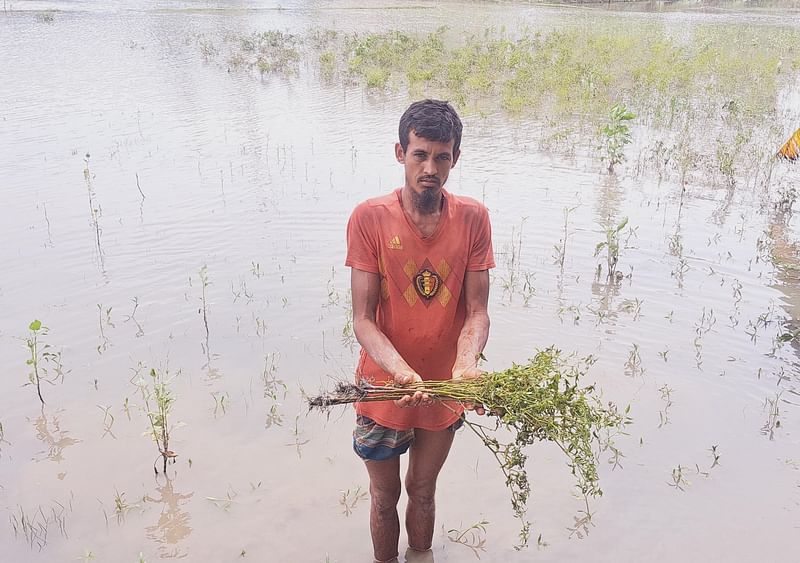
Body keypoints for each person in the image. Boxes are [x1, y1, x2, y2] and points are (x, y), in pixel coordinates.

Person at [345, 99, 495, 562]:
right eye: (420, 155)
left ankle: (421, 556)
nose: (430, 167)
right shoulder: (369, 217)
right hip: (384, 385)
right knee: (384, 497)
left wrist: (466, 363)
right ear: (399, 153)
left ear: (455, 158)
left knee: (424, 491)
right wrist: (401, 372)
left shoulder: (473, 218)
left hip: (445, 384)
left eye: (442, 156)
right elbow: (363, 319)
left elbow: (476, 312)